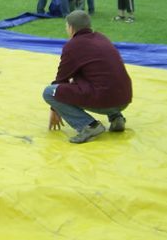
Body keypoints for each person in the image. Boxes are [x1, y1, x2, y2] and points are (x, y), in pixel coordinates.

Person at [42, 10, 132, 144]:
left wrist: (55, 107)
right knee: (96, 76)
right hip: (124, 98)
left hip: (106, 100)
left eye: (66, 27)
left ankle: (88, 125)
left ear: (71, 28)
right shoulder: (102, 38)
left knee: (49, 92)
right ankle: (116, 117)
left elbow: (61, 79)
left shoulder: (73, 45)